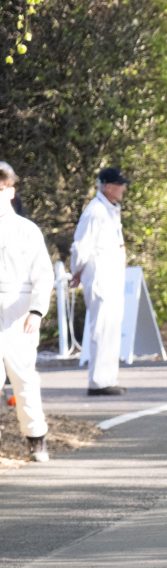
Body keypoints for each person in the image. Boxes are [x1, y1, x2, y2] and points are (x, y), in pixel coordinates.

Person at [0, 162, 55, 461]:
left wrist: (37, 310)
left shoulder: (26, 230)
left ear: (11, 191)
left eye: (2, 187)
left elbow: (43, 275)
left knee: (24, 378)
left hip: (19, 310)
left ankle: (36, 437)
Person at [71, 167, 130, 396]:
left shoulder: (110, 210)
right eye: (119, 184)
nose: (123, 188)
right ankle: (98, 380)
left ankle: (108, 377)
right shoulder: (95, 211)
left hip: (112, 277)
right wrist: (77, 271)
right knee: (101, 327)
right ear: (107, 186)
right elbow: (81, 246)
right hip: (99, 277)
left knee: (112, 327)